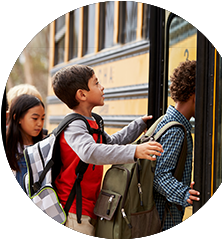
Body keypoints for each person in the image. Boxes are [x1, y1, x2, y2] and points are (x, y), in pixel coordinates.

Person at [51, 64, 164, 239]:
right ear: (82, 95)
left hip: (91, 206)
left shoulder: (92, 121)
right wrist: (134, 151)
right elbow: (90, 152)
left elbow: (110, 143)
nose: (102, 87)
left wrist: (138, 125)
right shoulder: (74, 126)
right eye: (96, 83)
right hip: (74, 210)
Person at [153, 60, 200, 239]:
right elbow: (160, 175)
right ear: (196, 96)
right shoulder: (176, 130)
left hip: (165, 219)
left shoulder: (166, 121)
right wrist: (185, 194)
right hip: (166, 223)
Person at [6, 94, 45, 239]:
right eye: (35, 118)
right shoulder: (7, 141)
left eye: (42, 118)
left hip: (38, 207)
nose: (40, 124)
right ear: (17, 118)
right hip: (13, 208)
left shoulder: (44, 144)